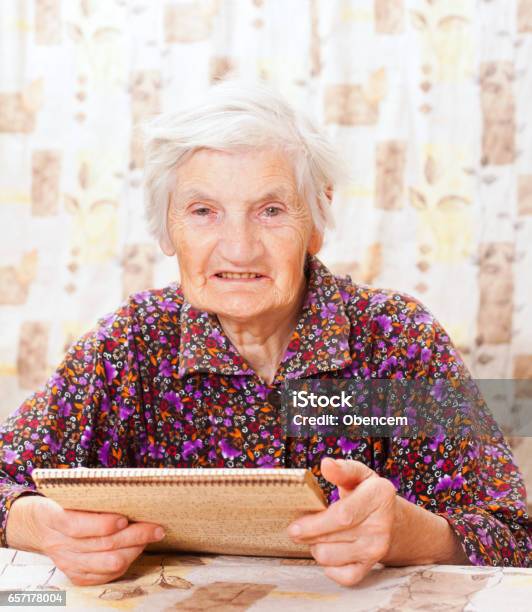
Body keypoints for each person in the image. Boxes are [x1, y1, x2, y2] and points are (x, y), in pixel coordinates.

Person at [0, 80, 529, 587]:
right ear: (167, 226)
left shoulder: (397, 340)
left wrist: (411, 534)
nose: (239, 248)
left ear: (316, 220)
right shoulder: (130, 345)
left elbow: (516, 538)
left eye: (271, 211)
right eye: (203, 211)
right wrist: (38, 525)